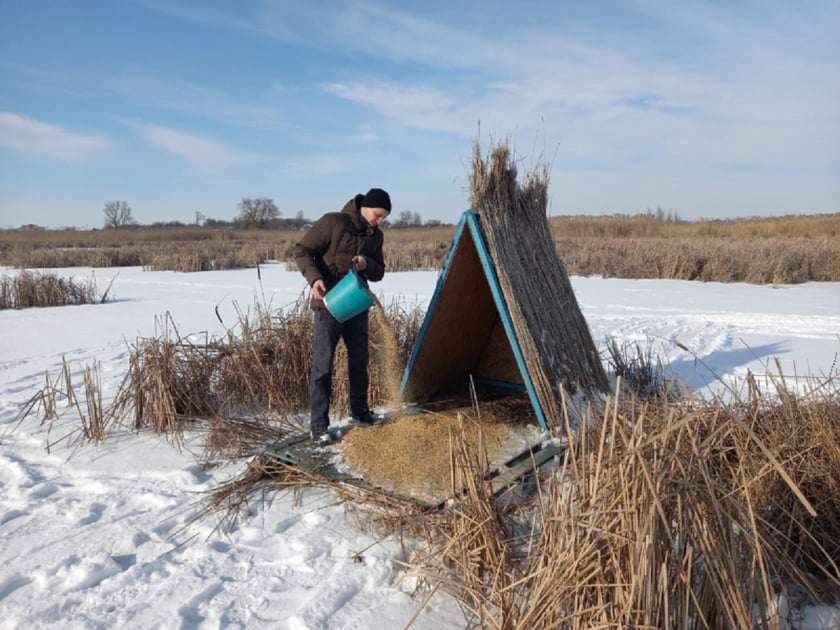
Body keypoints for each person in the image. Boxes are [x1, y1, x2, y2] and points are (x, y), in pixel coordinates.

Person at [293, 188, 392, 445]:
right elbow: (302, 250)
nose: (379, 221)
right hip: (328, 302)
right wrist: (314, 278)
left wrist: (365, 265)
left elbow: (379, 271)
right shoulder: (333, 222)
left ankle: (360, 413)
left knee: (360, 360)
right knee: (322, 366)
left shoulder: (375, 236)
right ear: (365, 207)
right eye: (378, 215)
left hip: (356, 302)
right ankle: (318, 426)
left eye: (384, 218)